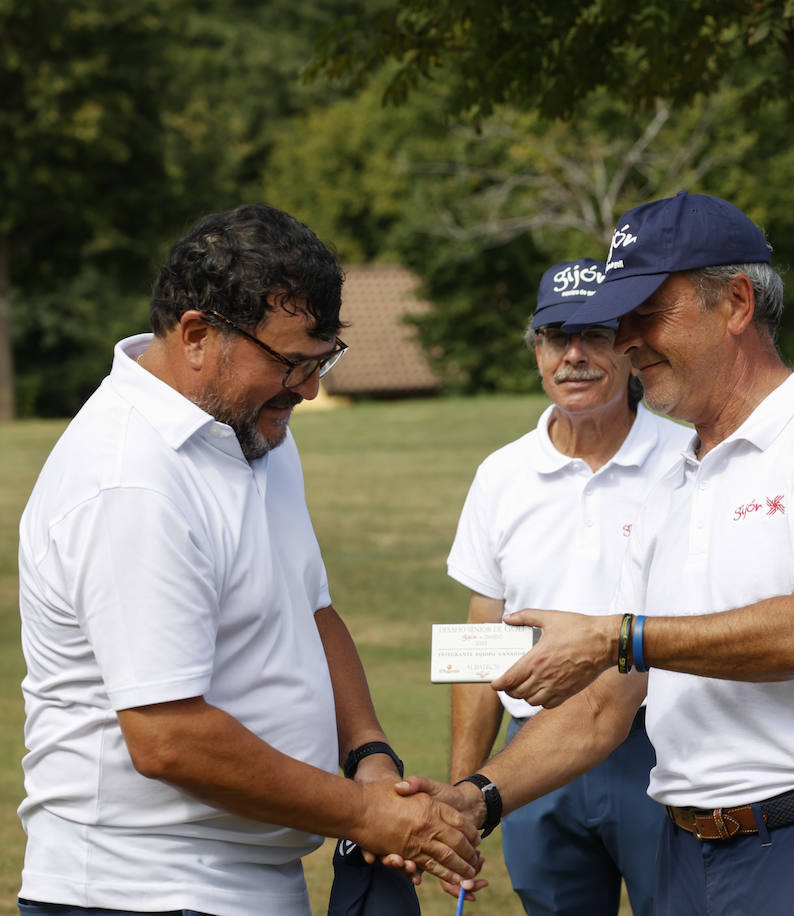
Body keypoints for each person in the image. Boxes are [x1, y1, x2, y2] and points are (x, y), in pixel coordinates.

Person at [408, 191, 794, 915]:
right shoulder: (674, 476)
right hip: (690, 858)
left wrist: (617, 636)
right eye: (617, 320)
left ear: (735, 303)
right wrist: (477, 796)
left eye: (645, 314)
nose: (625, 340)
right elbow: (607, 704)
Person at [16, 204, 480, 916]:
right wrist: (365, 816)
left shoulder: (250, 431)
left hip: (243, 885)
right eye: (293, 362)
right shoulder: (131, 480)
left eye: (323, 361)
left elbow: (311, 608)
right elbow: (168, 738)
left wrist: (370, 756)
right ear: (198, 335)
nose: (312, 388)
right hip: (135, 892)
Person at [446, 257, 691, 914]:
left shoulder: (687, 461)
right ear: (537, 349)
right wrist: (465, 793)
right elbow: (480, 646)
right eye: (558, 337)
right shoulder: (501, 474)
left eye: (596, 335)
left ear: (630, 346)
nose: (574, 355)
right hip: (532, 755)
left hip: (656, 747)